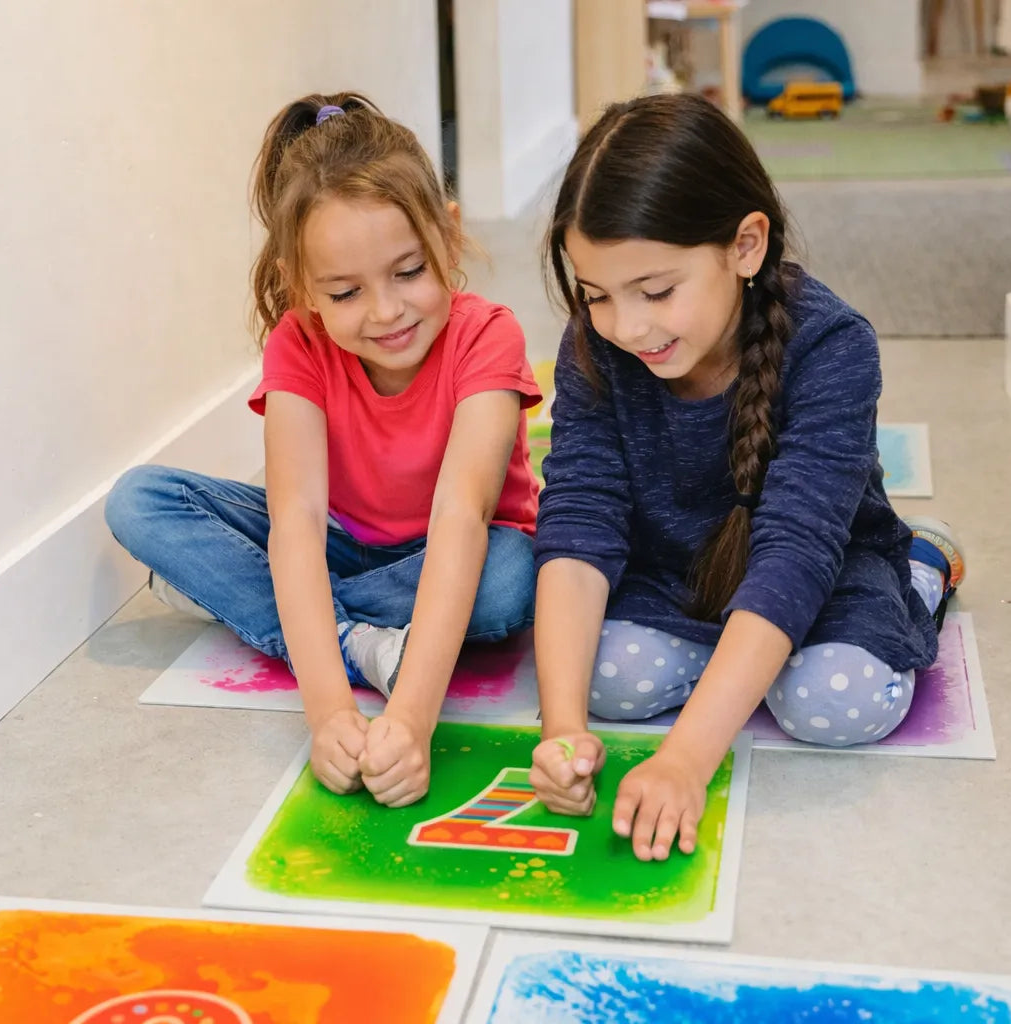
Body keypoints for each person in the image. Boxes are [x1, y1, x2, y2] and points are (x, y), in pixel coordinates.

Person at [528, 94, 964, 863]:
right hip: (678, 569)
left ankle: (921, 571)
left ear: (746, 245)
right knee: (598, 681)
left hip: (824, 572)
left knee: (839, 702)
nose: (627, 326)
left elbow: (798, 553)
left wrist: (686, 759)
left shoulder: (833, 345)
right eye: (597, 295)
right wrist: (561, 731)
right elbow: (578, 519)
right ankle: (739, 668)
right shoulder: (597, 346)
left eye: (656, 291)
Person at [106, 92, 541, 807]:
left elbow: (462, 515)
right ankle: (361, 643)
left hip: (459, 551)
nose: (386, 311)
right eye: (344, 293)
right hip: (343, 545)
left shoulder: (489, 335)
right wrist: (331, 712)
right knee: (140, 501)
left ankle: (263, 602)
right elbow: (299, 521)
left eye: (409, 272)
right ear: (301, 287)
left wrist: (411, 718)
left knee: (513, 579)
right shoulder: (298, 345)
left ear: (449, 235)